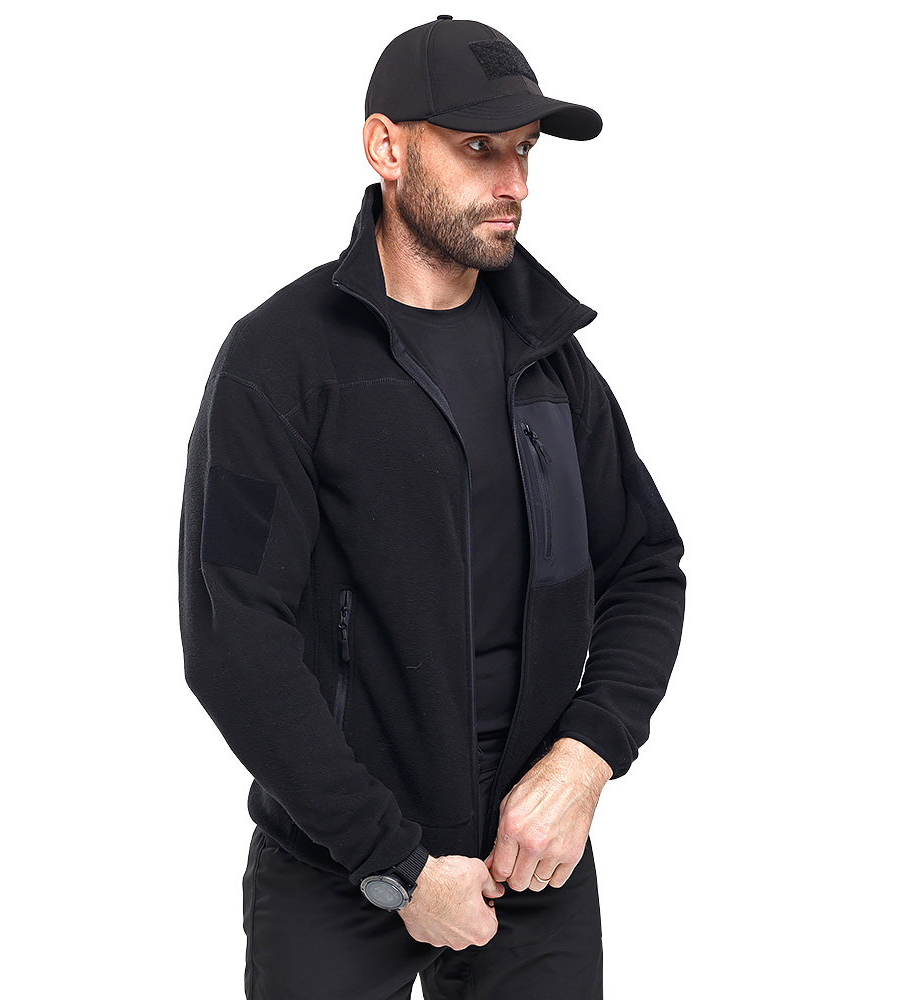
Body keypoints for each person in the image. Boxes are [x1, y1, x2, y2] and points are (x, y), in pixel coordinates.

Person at [178, 15, 686, 1000]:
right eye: (478, 147)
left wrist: (584, 759)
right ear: (385, 147)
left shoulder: (549, 357)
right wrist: (395, 864)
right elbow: (232, 635)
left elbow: (644, 567)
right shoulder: (276, 362)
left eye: (525, 151)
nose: (515, 183)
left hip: (530, 862)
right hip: (338, 866)